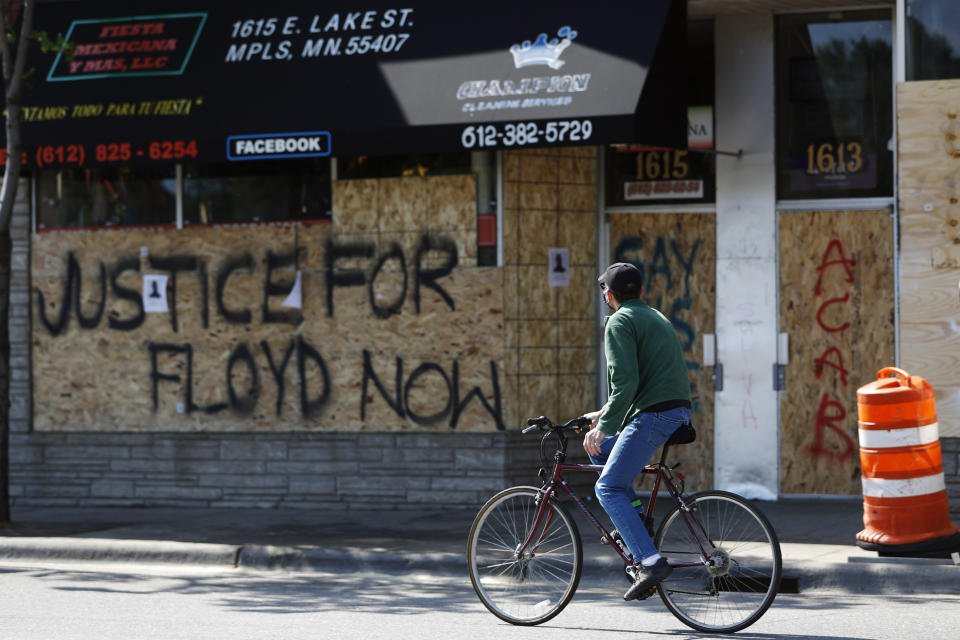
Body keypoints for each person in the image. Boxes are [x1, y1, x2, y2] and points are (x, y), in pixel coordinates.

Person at [582, 262, 692, 601]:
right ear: (640, 291)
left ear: (609, 295)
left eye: (604, 292)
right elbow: (642, 382)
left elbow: (625, 382)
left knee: (607, 487)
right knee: (600, 450)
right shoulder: (654, 316)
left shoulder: (619, 321)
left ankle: (650, 561)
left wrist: (604, 425)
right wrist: (604, 414)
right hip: (674, 409)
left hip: (654, 414)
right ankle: (639, 524)